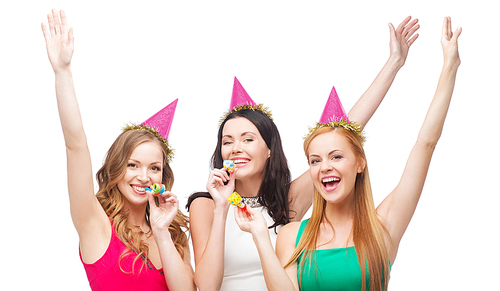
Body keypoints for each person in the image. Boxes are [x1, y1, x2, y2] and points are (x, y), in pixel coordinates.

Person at [187, 16, 420, 291]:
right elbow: (205, 286)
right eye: (227, 141)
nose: (236, 147)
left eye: (248, 139)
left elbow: (343, 134)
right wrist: (223, 206)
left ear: (270, 150)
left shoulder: (287, 201)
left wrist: (394, 63)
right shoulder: (206, 205)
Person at [234, 16, 461, 291]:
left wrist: (450, 66)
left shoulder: (384, 226)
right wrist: (259, 234)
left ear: (359, 163)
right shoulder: (292, 236)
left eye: (336, 156)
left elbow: (425, 144)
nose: (324, 167)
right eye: (315, 161)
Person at [41, 9, 196, 291]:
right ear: (116, 169)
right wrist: (62, 72)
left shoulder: (173, 235)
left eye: (154, 168)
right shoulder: (94, 222)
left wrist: (161, 232)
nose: (144, 177)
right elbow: (75, 146)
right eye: (133, 165)